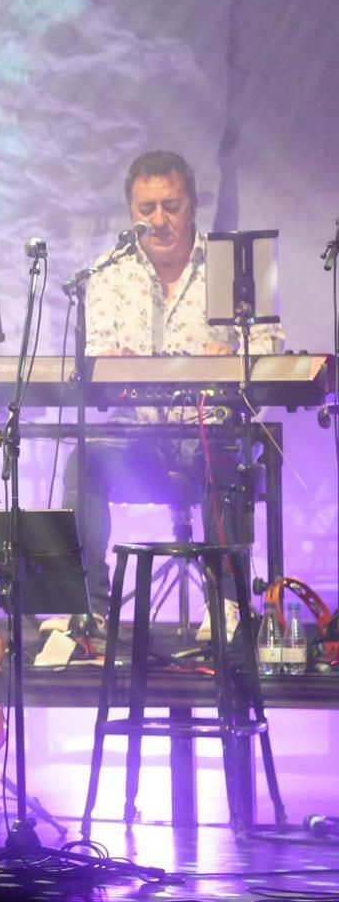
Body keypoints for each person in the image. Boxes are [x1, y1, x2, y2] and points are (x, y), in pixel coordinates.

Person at [66, 149, 282, 622]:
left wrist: (234, 359)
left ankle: (226, 607)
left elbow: (271, 351)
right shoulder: (106, 273)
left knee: (224, 459)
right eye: (147, 210)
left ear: (194, 206)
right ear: (131, 213)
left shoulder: (235, 265)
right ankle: (88, 612)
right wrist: (111, 366)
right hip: (139, 444)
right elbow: (96, 361)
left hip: (210, 437)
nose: (159, 220)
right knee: (82, 460)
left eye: (172, 206)